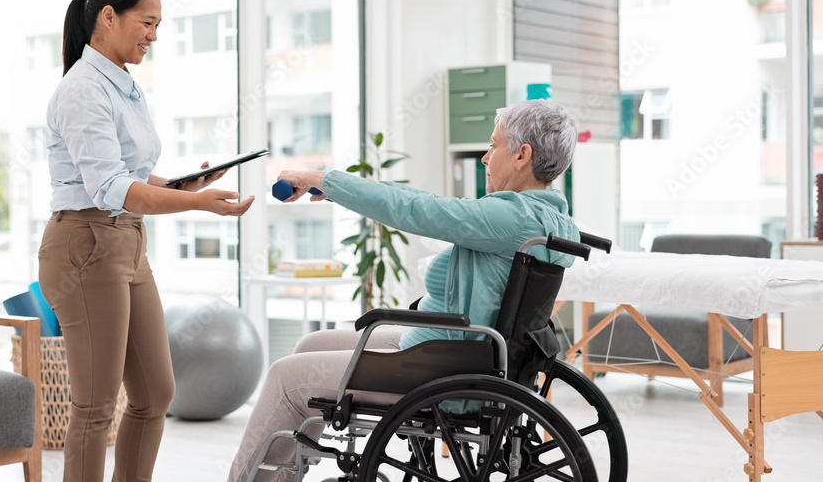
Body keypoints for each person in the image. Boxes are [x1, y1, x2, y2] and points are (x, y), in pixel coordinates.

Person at [227, 99, 579, 482]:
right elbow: (420, 206)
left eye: (493, 145)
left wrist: (324, 180)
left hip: (442, 363)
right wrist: (341, 192)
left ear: (522, 155)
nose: (484, 157)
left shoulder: (511, 217)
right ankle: (282, 473)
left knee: (284, 377)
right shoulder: (547, 218)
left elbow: (415, 208)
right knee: (310, 345)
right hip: (459, 349)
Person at [37, 0, 254, 482]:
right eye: (147, 22)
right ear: (108, 17)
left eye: (159, 24)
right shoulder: (82, 89)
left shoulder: (122, 84)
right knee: (94, 407)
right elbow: (110, 188)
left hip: (126, 243)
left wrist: (187, 186)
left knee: (156, 393)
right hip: (86, 245)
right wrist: (200, 208)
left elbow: (129, 174)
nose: (154, 35)